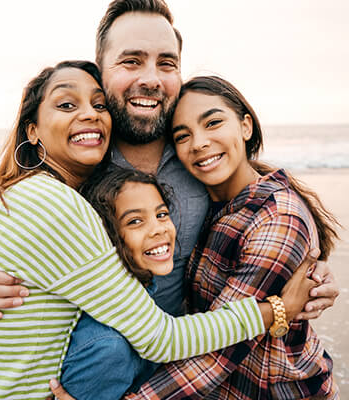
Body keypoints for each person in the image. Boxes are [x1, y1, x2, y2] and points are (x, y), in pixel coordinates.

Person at [0, 60, 312, 400]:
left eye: (98, 104)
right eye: (66, 105)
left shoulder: (31, 192)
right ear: (33, 131)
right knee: (111, 347)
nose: (89, 113)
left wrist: (302, 238)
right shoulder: (54, 204)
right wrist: (278, 310)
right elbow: (161, 338)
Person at [118, 75, 339, 399]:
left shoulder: (278, 218)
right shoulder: (202, 203)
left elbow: (219, 352)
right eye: (183, 135)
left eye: (213, 123)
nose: (199, 142)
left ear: (245, 126)